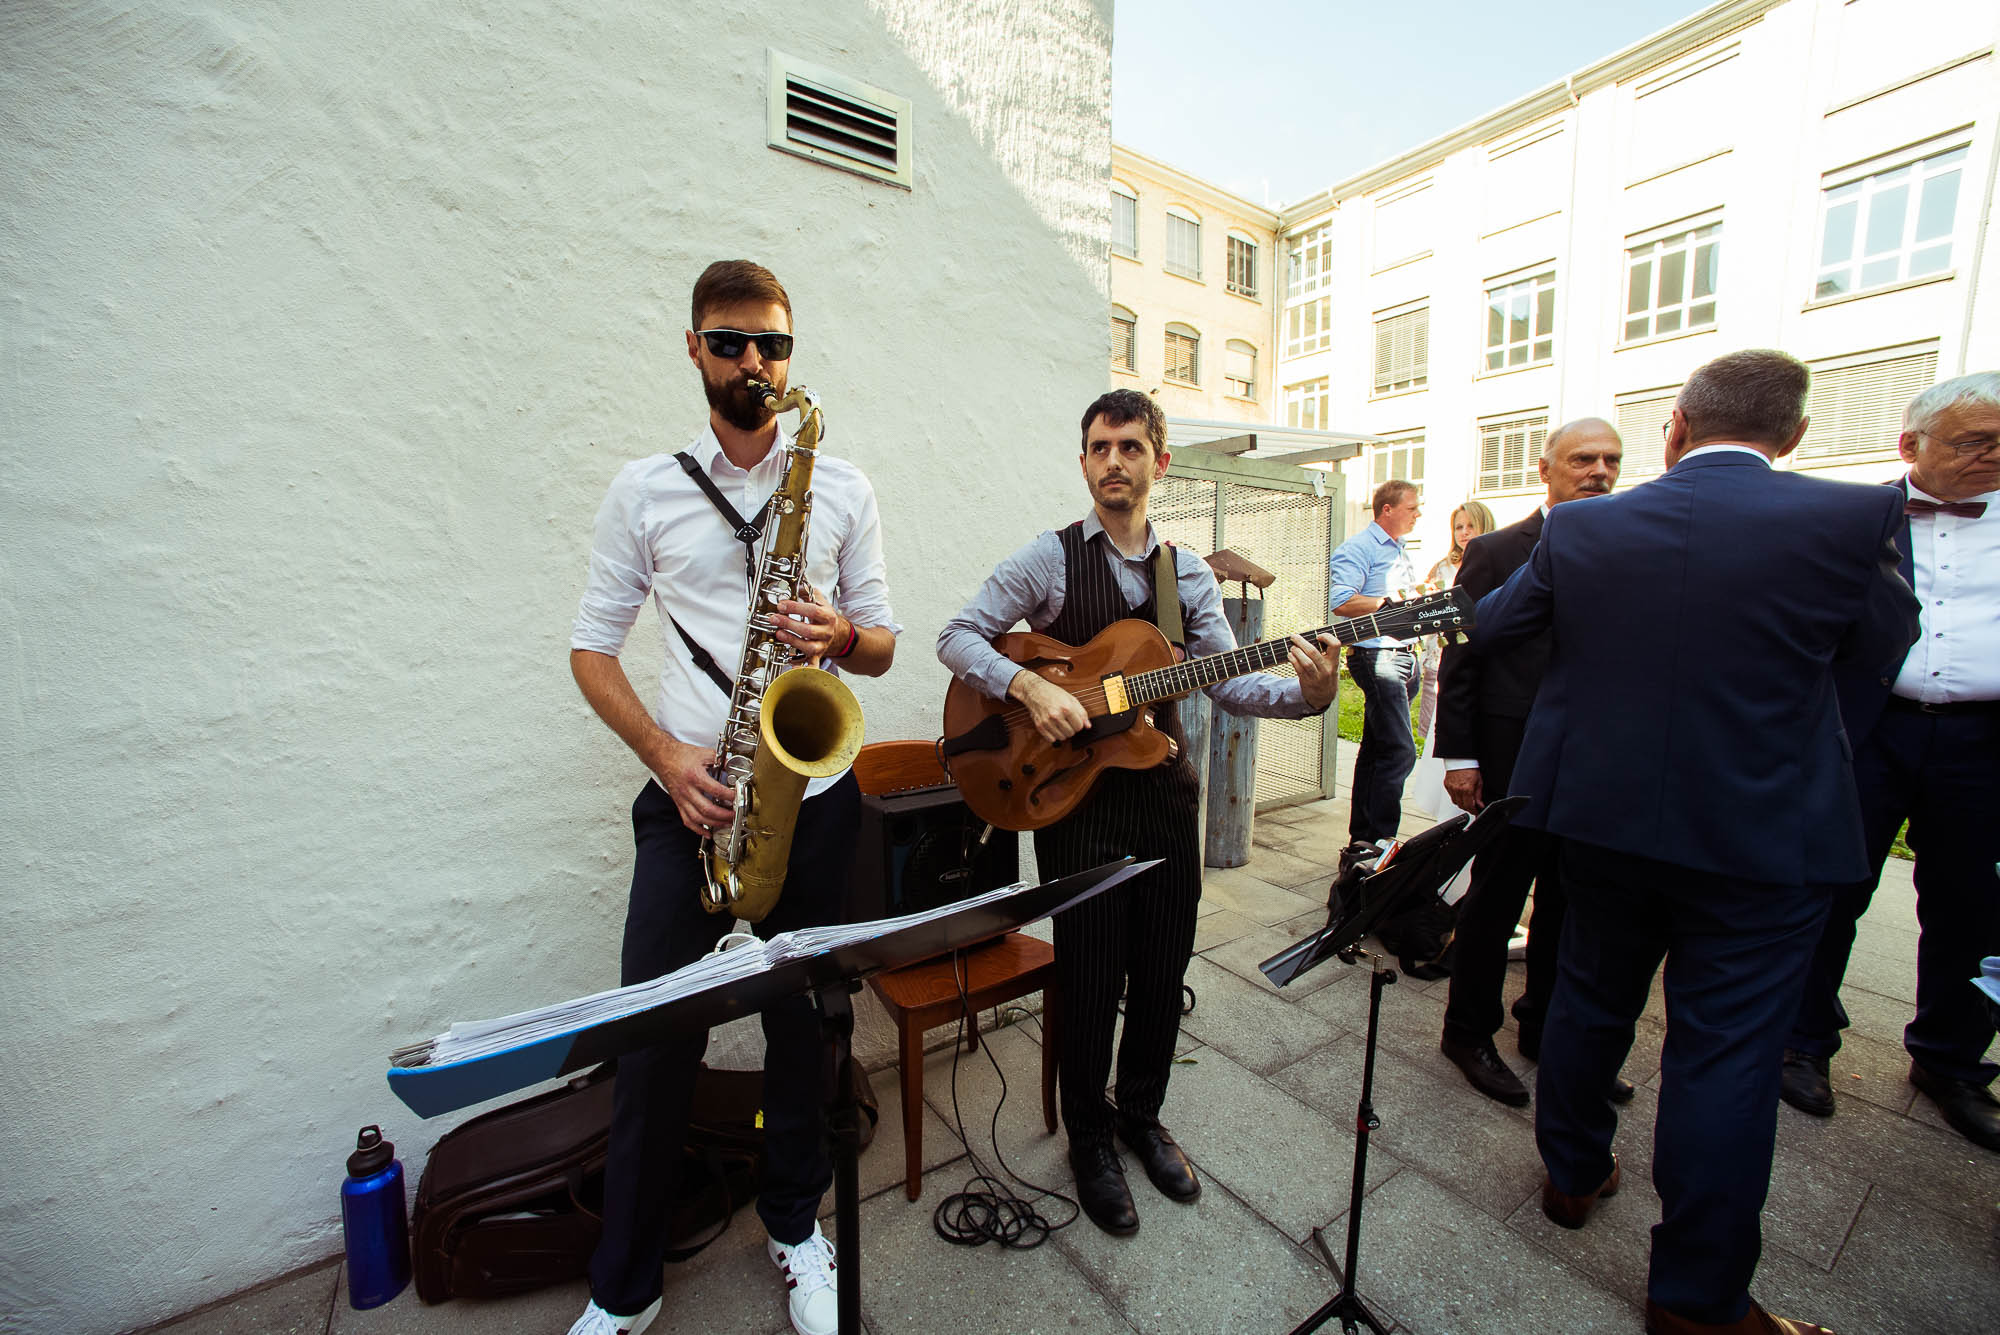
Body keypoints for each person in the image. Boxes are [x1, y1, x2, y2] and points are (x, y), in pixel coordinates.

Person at [1472, 349, 1917, 1335]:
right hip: (1762, 833)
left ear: (1673, 426)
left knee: (1588, 1002)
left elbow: (1498, 626)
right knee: (1723, 1058)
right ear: (1791, 436)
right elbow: (1877, 658)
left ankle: (1572, 1175)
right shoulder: (1851, 517)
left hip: (1602, 819)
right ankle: (1694, 1300)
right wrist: (1786, 743)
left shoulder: (1583, 525)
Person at [565, 260, 899, 1335]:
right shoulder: (644, 488)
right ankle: (624, 1287)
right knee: (653, 1039)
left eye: (773, 344)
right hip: (691, 801)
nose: (754, 362)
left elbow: (883, 641)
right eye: (730, 341)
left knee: (807, 1034)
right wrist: (666, 756)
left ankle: (797, 1231)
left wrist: (839, 637)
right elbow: (589, 650)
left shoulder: (839, 484)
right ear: (694, 349)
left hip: (813, 799)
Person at [936, 388, 1338, 1236]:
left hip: (1162, 795)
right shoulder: (1048, 560)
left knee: (1161, 970)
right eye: (1097, 446)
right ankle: (1088, 1137)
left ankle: (1140, 1115)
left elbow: (1228, 679)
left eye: (1128, 445)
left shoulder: (1186, 572)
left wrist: (1306, 695)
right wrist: (1030, 684)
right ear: (1083, 462)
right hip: (1072, 801)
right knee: (1087, 978)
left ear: (1158, 460)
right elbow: (957, 636)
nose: (1112, 460)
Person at [1781, 370, 2000, 1152]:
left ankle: (1951, 1060)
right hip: (1869, 729)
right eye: (1978, 442)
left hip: (1982, 739)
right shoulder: (1851, 517)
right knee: (1832, 884)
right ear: (1912, 444)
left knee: (1975, 904)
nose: (1993, 456)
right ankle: (1803, 1039)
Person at [1434, 420, 1625, 1108]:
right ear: (1546, 468)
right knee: (1497, 898)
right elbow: (1461, 655)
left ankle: (1545, 1028)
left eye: (1611, 459)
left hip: (1592, 759)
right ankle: (1468, 1031)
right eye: (1583, 458)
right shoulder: (1494, 550)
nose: (1599, 470)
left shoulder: (1630, 545)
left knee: (1571, 904)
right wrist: (1461, 755)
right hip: (1513, 754)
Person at [1328, 480, 1423, 856]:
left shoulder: (1400, 550)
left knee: (1376, 750)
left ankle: (1362, 842)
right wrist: (1389, 601)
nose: (1418, 514)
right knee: (1400, 751)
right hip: (1376, 657)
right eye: (1412, 508)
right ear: (1388, 510)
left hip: (1403, 656)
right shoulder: (1359, 547)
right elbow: (1342, 601)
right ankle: (1383, 843)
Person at [1415, 500, 1496, 742]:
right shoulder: (1443, 567)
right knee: (1437, 731)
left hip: (1482, 654)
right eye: (1458, 527)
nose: (1464, 532)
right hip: (1442, 656)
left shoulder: (1497, 559)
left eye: (1471, 525)